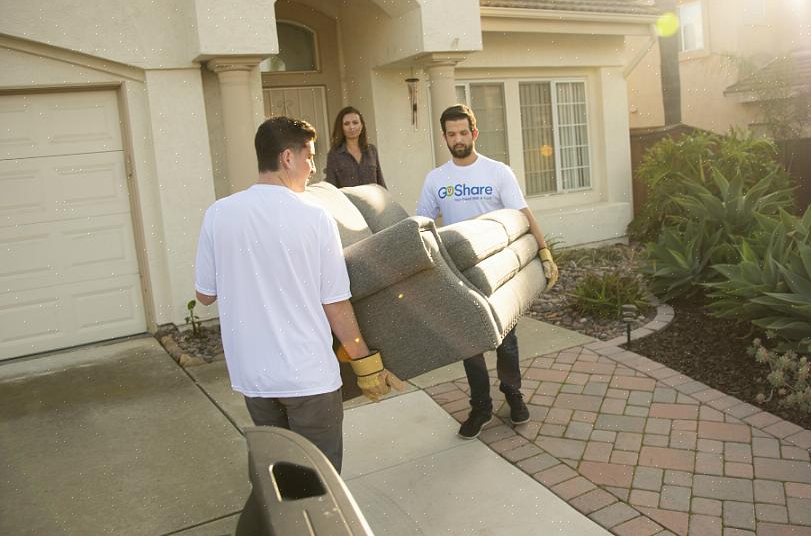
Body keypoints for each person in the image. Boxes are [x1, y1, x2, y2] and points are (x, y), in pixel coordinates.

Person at [194, 116, 402, 473]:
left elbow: (205, 295)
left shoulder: (219, 214)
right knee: (320, 481)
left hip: (255, 378)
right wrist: (365, 364)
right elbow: (335, 302)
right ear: (287, 158)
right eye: (308, 157)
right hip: (307, 377)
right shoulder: (314, 216)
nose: (312, 168)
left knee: (279, 474)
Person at [416, 104, 559, 440]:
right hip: (458, 271)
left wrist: (544, 250)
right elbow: (421, 225)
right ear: (444, 137)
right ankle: (481, 406)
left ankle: (513, 395)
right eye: (451, 134)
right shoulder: (436, 179)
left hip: (498, 270)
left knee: (505, 338)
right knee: (471, 342)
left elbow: (523, 214)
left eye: (463, 132)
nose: (458, 139)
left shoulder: (498, 172)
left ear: (474, 133)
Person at [325, 106, 387, 188]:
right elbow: (331, 187)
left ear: (361, 125)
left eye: (355, 122)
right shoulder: (334, 154)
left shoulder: (371, 150)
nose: (351, 127)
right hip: (347, 201)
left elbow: (380, 182)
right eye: (346, 124)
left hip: (372, 200)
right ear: (341, 127)